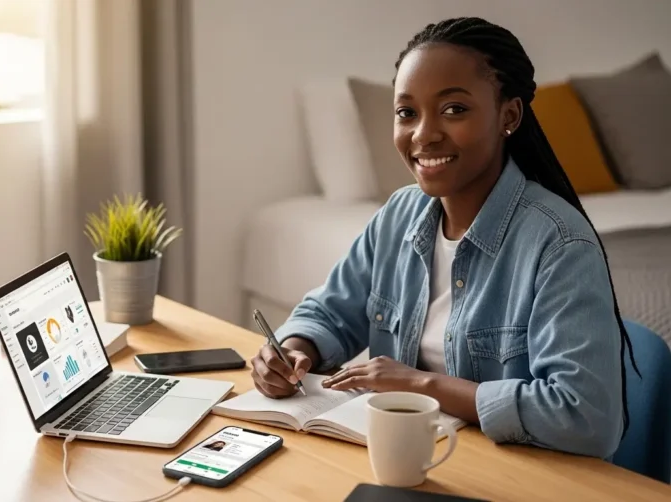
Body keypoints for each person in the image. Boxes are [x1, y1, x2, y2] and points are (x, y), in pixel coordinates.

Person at [250, 17, 638, 459]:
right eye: (406, 113)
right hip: (415, 460)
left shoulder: (560, 245)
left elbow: (586, 417)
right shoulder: (399, 213)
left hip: (517, 474)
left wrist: (420, 384)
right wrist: (293, 350)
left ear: (508, 115)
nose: (424, 134)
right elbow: (329, 312)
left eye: (454, 110)